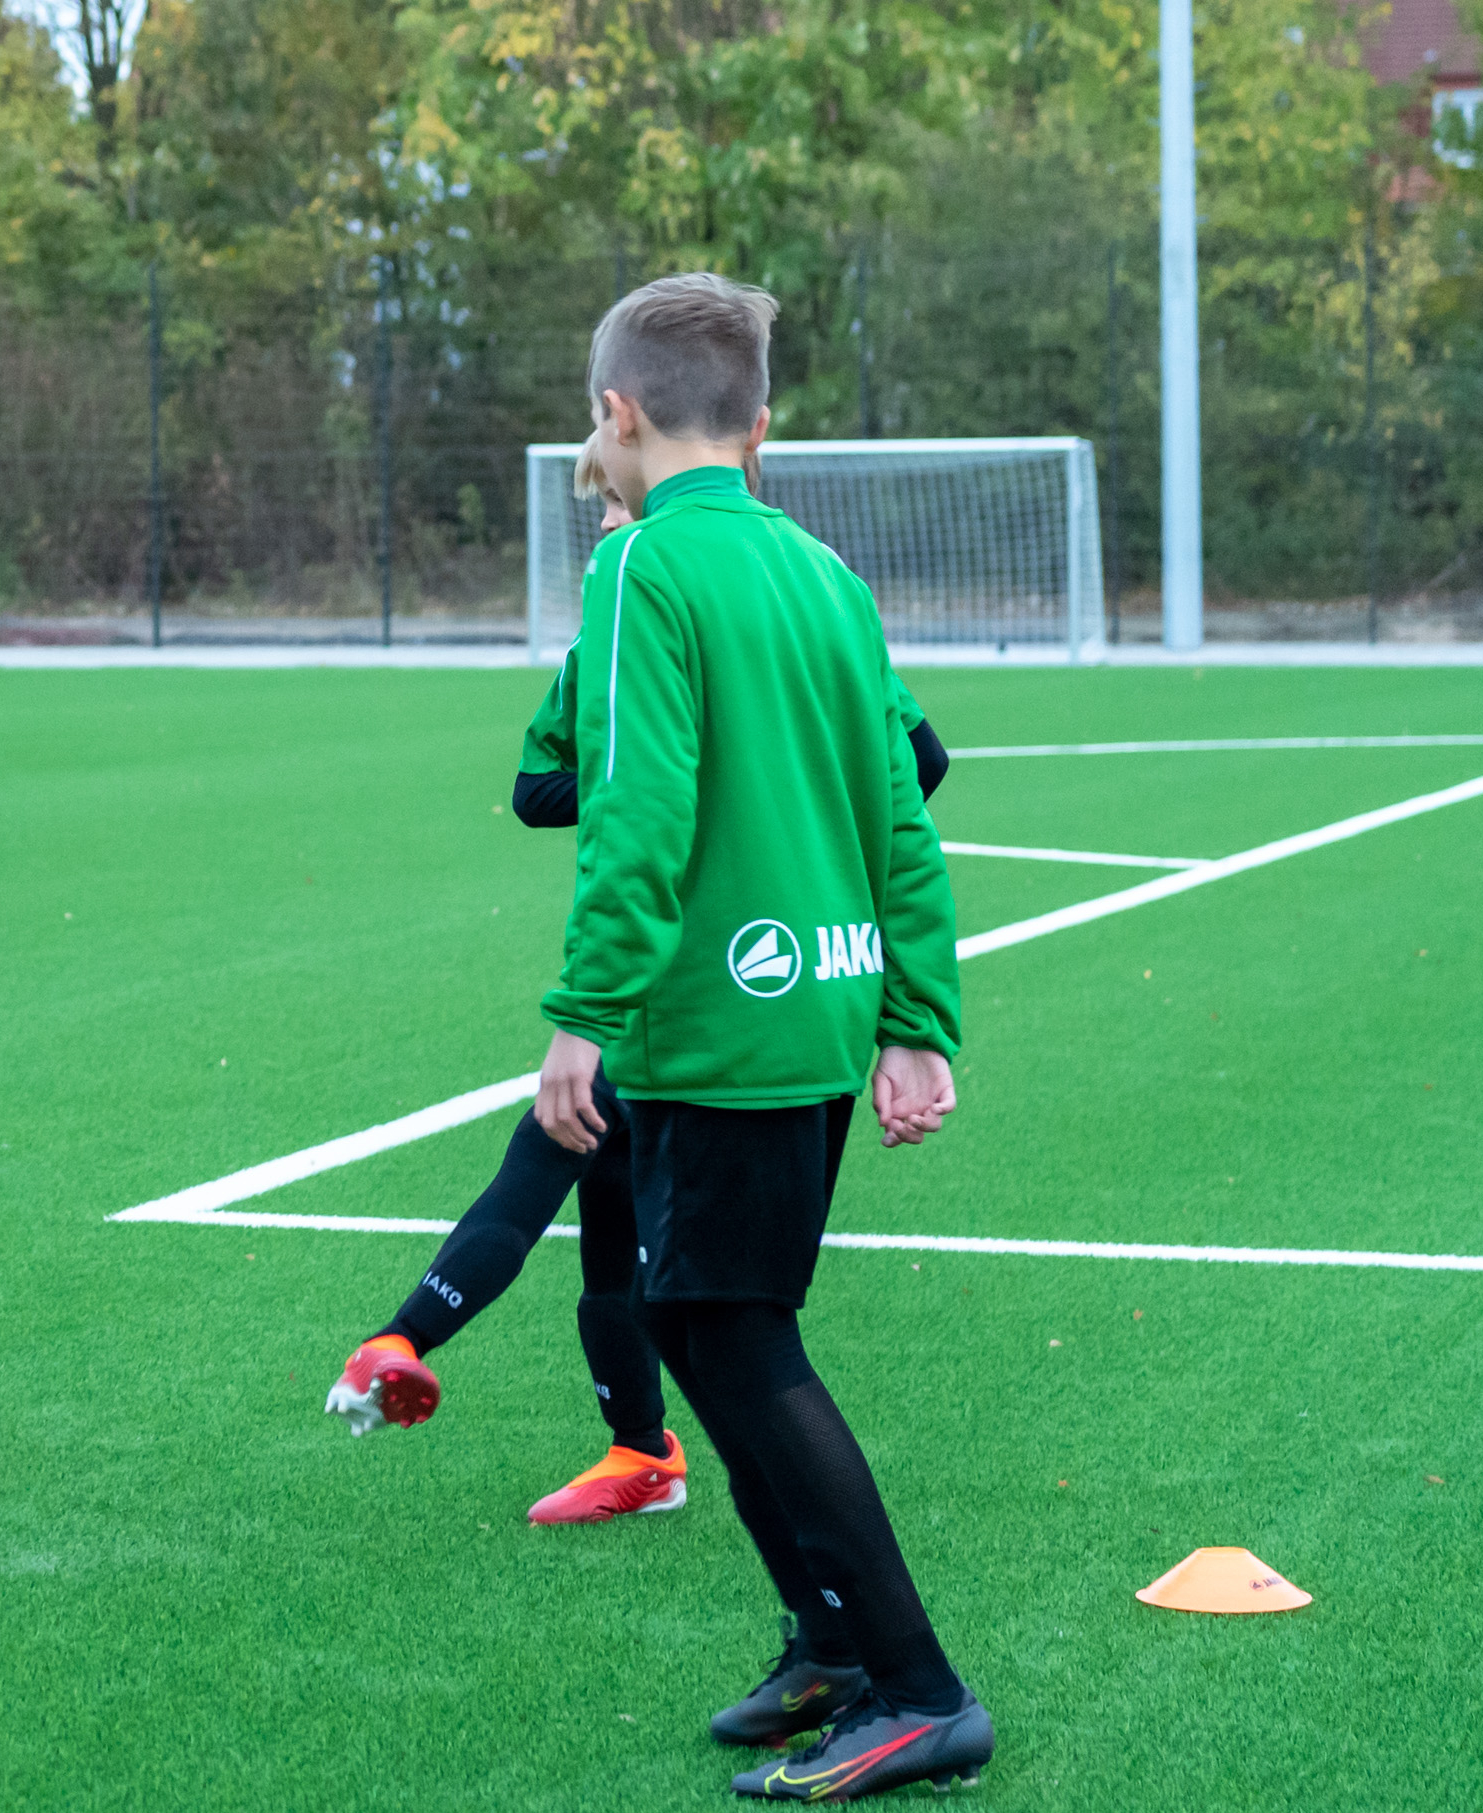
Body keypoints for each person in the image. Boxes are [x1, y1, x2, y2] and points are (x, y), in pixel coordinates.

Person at [538, 274, 985, 1800]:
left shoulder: (642, 572)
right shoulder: (823, 574)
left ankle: (917, 1686)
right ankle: (831, 1640)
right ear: (762, 423)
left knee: (734, 1332)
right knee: (697, 1318)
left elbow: (636, 813)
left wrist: (583, 1013)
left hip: (715, 1021)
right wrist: (915, 1018)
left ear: (616, 415)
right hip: (816, 1007)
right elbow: (900, 817)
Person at [329, 450, 955, 1537]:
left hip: (723, 993)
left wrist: (747, 797)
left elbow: (921, 761)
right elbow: (536, 791)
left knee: (631, 1231)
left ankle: (414, 1344)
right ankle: (638, 1450)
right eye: (609, 512)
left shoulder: (772, 596)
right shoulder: (609, 639)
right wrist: (643, 777)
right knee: (608, 1236)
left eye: (621, 501)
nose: (617, 525)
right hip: (658, 974)